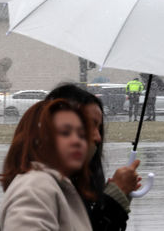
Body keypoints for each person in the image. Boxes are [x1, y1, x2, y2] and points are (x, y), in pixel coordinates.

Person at [47, 83, 140, 231]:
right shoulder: (40, 189)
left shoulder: (76, 182)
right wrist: (113, 201)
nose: (97, 137)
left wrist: (115, 197)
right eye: (89, 125)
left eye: (99, 128)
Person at [0, 99, 95, 230]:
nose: (77, 141)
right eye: (65, 132)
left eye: (82, 135)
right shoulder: (36, 187)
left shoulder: (52, 184)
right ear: (37, 139)